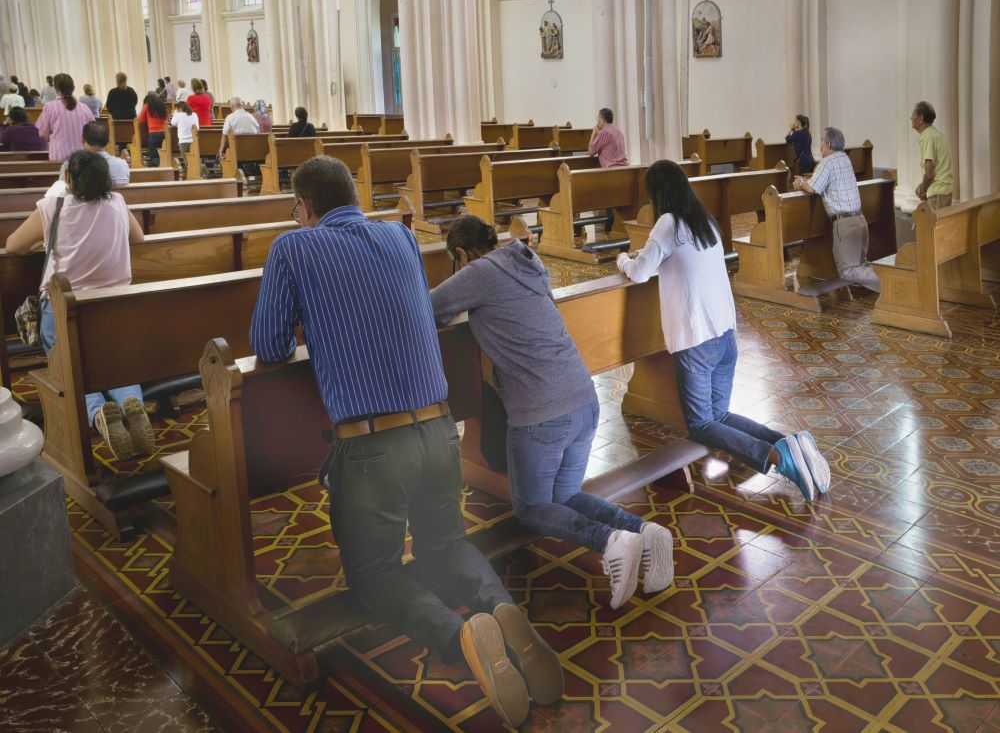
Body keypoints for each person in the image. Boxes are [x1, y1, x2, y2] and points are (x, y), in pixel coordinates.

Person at [251, 157, 562, 727]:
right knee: (445, 545)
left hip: (372, 447)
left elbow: (268, 346)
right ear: (353, 195)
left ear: (306, 208)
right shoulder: (398, 236)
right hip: (439, 427)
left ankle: (462, 636)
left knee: (376, 574)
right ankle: (502, 610)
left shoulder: (294, 247)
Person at [431, 215, 675, 609]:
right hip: (584, 399)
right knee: (563, 495)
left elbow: (431, 308)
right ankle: (642, 531)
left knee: (531, 508)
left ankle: (611, 541)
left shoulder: (478, 272)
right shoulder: (526, 262)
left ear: (460, 254)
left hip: (541, 413)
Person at [617, 160, 829, 503]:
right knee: (721, 416)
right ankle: (788, 441)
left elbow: (640, 273)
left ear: (658, 193)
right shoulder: (703, 221)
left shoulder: (667, 223)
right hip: (725, 333)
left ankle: (781, 459)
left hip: (697, 339)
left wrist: (623, 260)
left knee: (702, 424)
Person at [6, 150, 153, 460]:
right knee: (115, 362)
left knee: (71, 366)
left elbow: (13, 245)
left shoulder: (54, 206)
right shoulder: (117, 202)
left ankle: (99, 414)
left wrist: (45, 241)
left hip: (65, 309)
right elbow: (138, 238)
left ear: (68, 178)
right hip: (113, 306)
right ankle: (135, 407)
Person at [791, 126, 881, 293]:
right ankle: (892, 286)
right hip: (860, 220)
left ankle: (893, 282)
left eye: (822, 142)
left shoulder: (827, 162)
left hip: (845, 223)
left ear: (829, 144)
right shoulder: (845, 159)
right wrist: (807, 181)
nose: (820, 146)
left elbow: (812, 189)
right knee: (860, 265)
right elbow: (822, 183)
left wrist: (800, 183)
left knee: (847, 271)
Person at [45, 121, 130, 198]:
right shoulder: (122, 164)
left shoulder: (71, 165)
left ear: (82, 140)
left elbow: (62, 191)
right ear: (108, 141)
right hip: (120, 211)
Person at [36, 73, 95, 161]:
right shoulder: (84, 107)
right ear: (73, 88)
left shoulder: (50, 107)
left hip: (59, 156)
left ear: (56, 89)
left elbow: (42, 134)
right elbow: (93, 130)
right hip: (82, 156)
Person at [910, 100, 953, 209]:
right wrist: (922, 185)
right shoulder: (934, 134)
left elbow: (929, 174)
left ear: (921, 118)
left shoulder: (928, 138)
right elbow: (935, 169)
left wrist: (923, 191)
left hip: (937, 193)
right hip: (943, 191)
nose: (911, 118)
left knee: (933, 226)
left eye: (913, 114)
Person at [217, 96, 260, 161]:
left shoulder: (230, 117)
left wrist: (220, 150)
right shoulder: (251, 116)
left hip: (237, 151)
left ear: (232, 106)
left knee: (220, 155)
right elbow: (258, 131)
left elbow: (224, 136)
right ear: (241, 105)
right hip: (253, 150)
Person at [137, 92, 167, 168]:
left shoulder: (147, 106)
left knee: (154, 156)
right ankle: (164, 166)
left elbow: (140, 120)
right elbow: (168, 119)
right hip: (165, 134)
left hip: (153, 134)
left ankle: (157, 168)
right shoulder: (162, 105)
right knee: (164, 154)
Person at [170, 101, 199, 177]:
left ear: (179, 108)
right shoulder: (194, 114)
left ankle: (192, 177)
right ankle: (196, 175)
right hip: (194, 140)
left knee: (187, 162)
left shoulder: (179, 115)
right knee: (195, 160)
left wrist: (175, 113)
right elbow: (197, 127)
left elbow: (172, 123)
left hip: (183, 141)